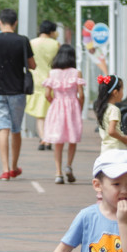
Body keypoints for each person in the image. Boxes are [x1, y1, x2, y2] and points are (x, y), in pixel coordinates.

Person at [0, 9, 35, 181]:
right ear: (15, 22)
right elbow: (32, 65)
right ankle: (14, 167)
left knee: (2, 128)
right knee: (16, 129)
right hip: (17, 91)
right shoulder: (23, 40)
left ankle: (5, 170)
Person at [41, 43, 86, 184]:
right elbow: (81, 94)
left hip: (57, 106)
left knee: (58, 140)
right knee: (72, 138)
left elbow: (47, 94)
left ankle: (58, 172)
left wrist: (54, 102)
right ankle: (69, 166)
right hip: (73, 106)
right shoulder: (76, 72)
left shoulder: (52, 73)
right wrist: (79, 107)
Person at [25, 20, 60, 148]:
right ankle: (49, 139)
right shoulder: (56, 44)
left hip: (36, 80)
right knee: (51, 113)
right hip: (53, 81)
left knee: (40, 114)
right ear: (52, 31)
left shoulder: (31, 43)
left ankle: (43, 138)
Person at [94, 74, 127, 151]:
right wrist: (124, 138)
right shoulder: (114, 109)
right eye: (122, 90)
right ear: (115, 92)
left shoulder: (102, 108)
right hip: (116, 148)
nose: (123, 93)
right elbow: (111, 131)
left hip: (105, 148)